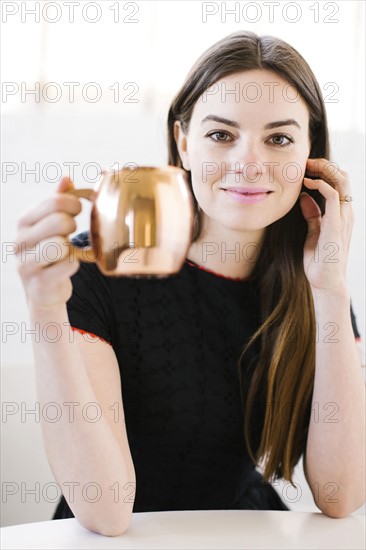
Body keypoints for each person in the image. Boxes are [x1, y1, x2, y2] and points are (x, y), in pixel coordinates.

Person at [15, 31, 365, 537]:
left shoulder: (316, 282)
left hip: (240, 531)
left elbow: (342, 495)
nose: (248, 162)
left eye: (279, 138)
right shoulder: (97, 265)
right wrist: (45, 309)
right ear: (183, 142)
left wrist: (331, 290)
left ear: (311, 152)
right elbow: (108, 513)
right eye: (221, 135)